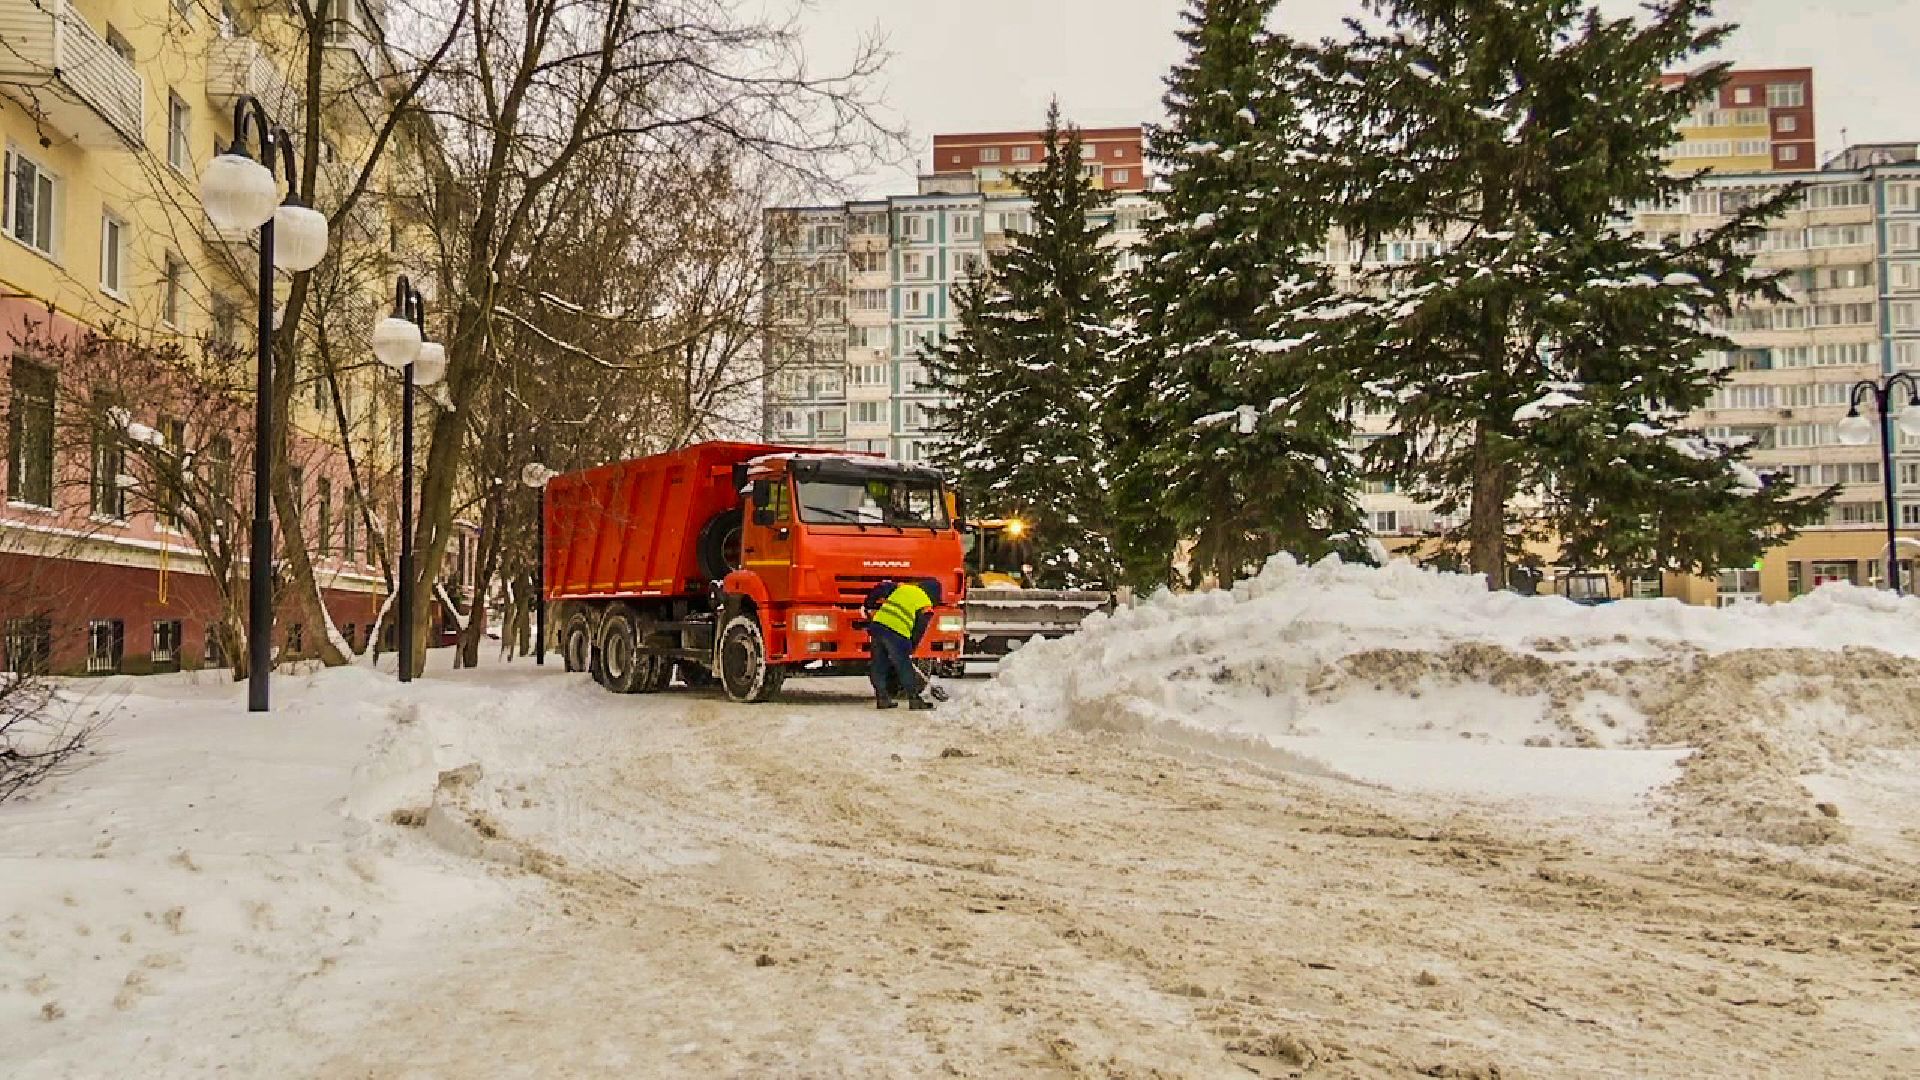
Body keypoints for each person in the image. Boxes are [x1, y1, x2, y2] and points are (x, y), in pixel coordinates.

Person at [861, 576, 942, 710]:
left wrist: (869, 605)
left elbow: (881, 587)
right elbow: (919, 630)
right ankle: (915, 699)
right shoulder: (925, 604)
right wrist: (910, 648)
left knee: (879, 664)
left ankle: (882, 698)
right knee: (904, 666)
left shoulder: (903, 588)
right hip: (897, 632)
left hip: (878, 626)